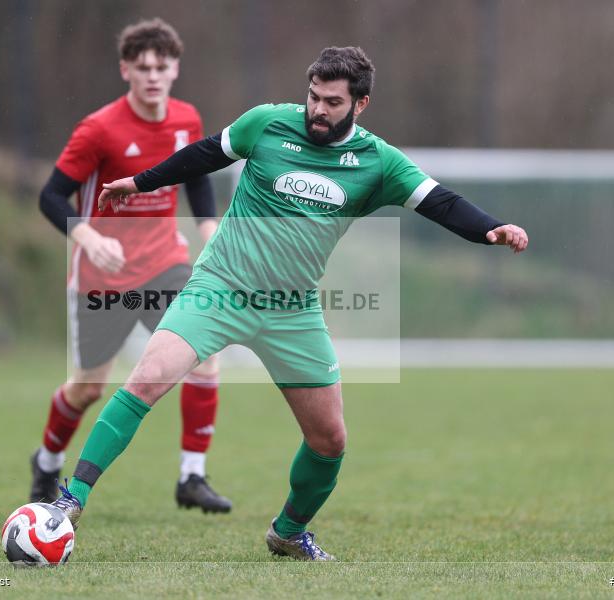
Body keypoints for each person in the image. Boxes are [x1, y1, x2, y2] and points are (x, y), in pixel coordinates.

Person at [49, 46, 528, 560]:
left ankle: (288, 532)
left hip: (293, 310)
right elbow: (205, 154)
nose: (317, 110)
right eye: (313, 97)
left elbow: (440, 202)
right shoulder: (268, 123)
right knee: (145, 381)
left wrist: (490, 229)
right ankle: (69, 501)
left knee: (329, 440)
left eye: (332, 103)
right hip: (219, 287)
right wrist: (140, 182)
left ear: (361, 104)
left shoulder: (378, 162)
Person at [31, 18, 231, 513]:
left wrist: (208, 229)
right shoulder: (99, 129)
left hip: (166, 264)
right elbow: (51, 196)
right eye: (143, 68)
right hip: (103, 277)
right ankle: (47, 460)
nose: (153, 76)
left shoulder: (186, 119)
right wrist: (88, 237)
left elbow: (197, 177)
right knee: (88, 388)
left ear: (175, 68)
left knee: (205, 352)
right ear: (125, 70)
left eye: (162, 67)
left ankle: (192, 476)